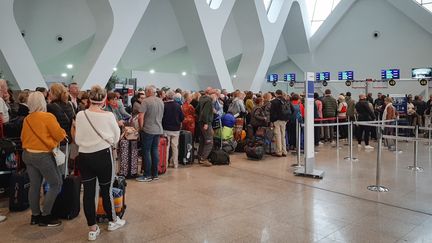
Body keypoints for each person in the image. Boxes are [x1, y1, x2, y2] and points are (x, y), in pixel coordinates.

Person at [75, 85, 124, 241]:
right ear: (104, 99)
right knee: (106, 190)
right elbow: (116, 137)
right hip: (103, 155)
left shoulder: (81, 114)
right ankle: (113, 221)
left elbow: (77, 137)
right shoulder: (108, 116)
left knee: (89, 193)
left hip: (84, 156)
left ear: (89, 99)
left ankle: (92, 228)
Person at [21, 91, 66, 227]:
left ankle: (35, 216)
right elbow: (59, 135)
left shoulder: (27, 119)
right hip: (43, 155)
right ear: (42, 102)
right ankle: (46, 216)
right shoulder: (48, 117)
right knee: (55, 183)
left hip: (27, 154)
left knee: (35, 185)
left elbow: (23, 137)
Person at [136, 85, 164, 182]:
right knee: (155, 150)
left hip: (148, 129)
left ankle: (147, 175)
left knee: (146, 151)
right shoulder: (161, 101)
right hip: (158, 129)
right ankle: (155, 174)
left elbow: (140, 117)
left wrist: (141, 128)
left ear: (148, 91)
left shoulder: (145, 101)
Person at [162, 91, 184, 169]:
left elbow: (161, 117)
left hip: (166, 129)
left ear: (167, 97)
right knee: (175, 147)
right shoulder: (178, 106)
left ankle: (165, 164)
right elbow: (182, 117)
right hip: (176, 129)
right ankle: (175, 164)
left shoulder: (164, 105)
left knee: (166, 147)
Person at [196, 87, 214, 166]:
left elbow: (197, 109)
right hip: (205, 123)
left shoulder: (201, 99)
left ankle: (200, 157)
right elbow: (205, 113)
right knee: (209, 141)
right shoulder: (209, 100)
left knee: (203, 140)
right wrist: (206, 123)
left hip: (200, 122)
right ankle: (204, 158)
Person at [270, 90, 290, 157]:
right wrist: (287, 118)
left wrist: (271, 121)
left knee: (278, 136)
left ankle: (279, 152)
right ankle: (284, 151)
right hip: (284, 121)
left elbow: (272, 113)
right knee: (283, 136)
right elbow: (291, 110)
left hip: (277, 121)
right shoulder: (286, 101)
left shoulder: (273, 102)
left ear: (276, 94)